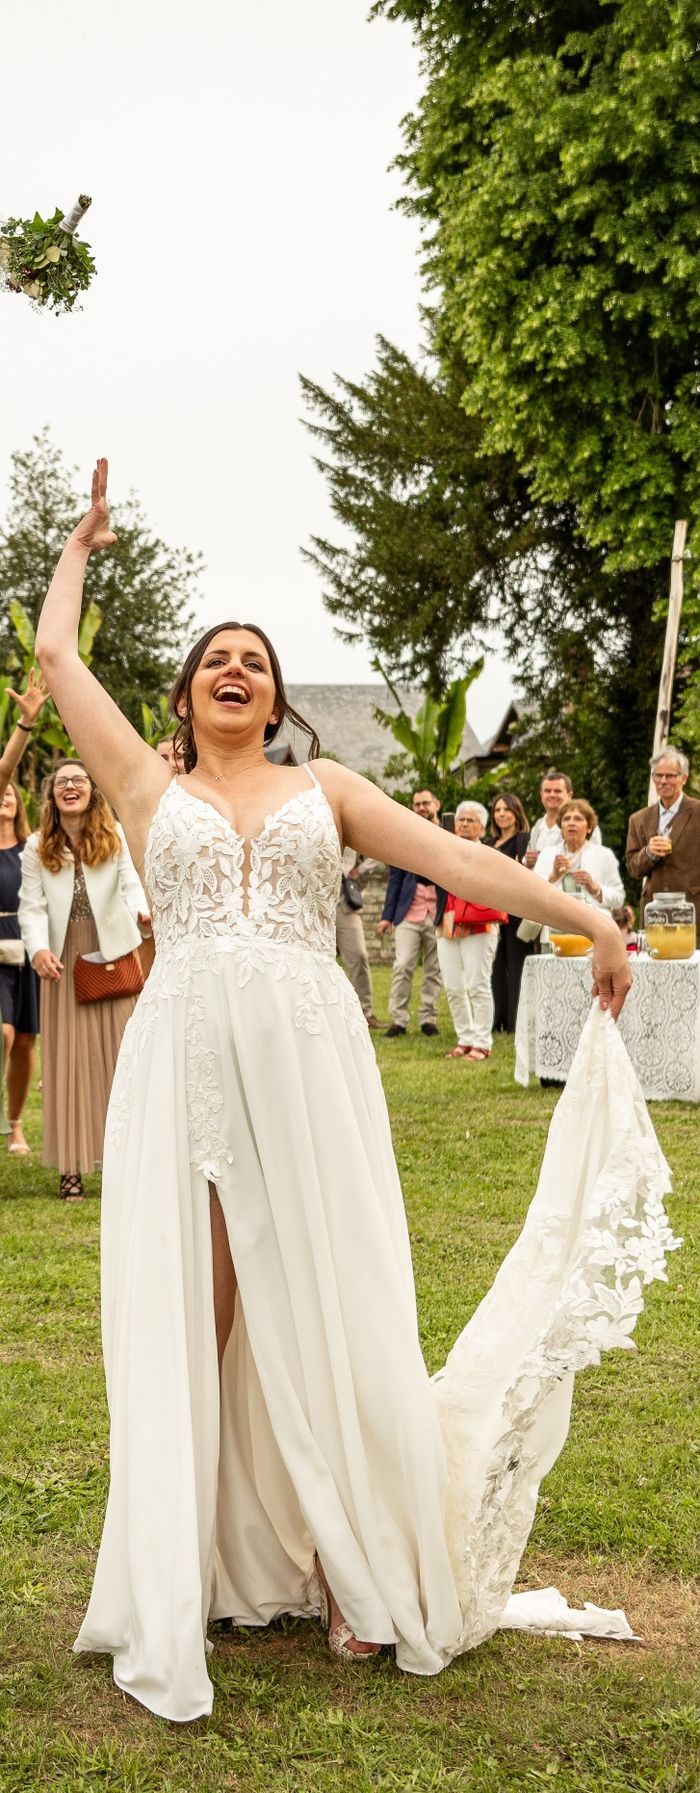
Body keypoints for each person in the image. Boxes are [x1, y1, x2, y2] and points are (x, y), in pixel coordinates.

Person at [34, 461, 635, 1720]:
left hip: (311, 1063)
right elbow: (54, 653)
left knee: (328, 1292)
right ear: (187, 694)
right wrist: (79, 550)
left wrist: (587, 917)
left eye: (254, 660)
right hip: (186, 1060)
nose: (234, 670)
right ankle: (186, 1566)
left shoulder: (332, 791)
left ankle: (352, 1564)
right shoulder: (146, 787)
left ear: (276, 696)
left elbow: (463, 857)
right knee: (194, 1306)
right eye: (215, 660)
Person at [18, 758, 150, 1202]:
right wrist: (38, 949)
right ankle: (71, 1167)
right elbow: (31, 906)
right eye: (62, 782)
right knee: (68, 1065)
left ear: (92, 792)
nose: (70, 787)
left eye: (78, 780)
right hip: (61, 960)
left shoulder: (113, 837)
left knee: (121, 1060)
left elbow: (131, 884)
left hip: (113, 953)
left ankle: (125, 1162)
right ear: (52, 795)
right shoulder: (37, 847)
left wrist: (142, 912)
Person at [0, 669, 49, 1153]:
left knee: (26, 1042)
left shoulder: (32, 848)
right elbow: (3, 771)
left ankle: (14, 1124)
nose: (5, 801)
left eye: (11, 798)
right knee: (4, 1033)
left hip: (26, 945)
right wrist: (25, 725)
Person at [437, 801, 504, 1061]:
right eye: (461, 820)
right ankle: (464, 1038)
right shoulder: (444, 850)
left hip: (479, 922)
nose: (464, 824)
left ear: (482, 828)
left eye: (471, 820)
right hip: (447, 921)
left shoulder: (489, 854)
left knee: (478, 984)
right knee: (454, 986)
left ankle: (482, 1042)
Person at [378, 789, 445, 1037]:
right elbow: (395, 878)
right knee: (403, 964)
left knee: (434, 968)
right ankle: (399, 1019)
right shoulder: (404, 835)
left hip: (437, 911)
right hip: (409, 910)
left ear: (436, 805)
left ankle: (428, 1018)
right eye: (417, 804)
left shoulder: (448, 834)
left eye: (426, 803)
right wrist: (387, 916)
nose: (421, 808)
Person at [626, 748, 700, 944]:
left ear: (684, 778)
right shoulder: (638, 819)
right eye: (658, 775)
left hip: (693, 912)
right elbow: (632, 868)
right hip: (654, 915)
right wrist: (648, 853)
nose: (663, 781)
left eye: (670, 776)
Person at [487, 793, 532, 1034]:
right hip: (491, 910)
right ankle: (497, 1019)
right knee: (495, 968)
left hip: (515, 911)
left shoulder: (523, 839)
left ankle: (515, 1022)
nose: (501, 814)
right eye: (497, 810)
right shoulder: (489, 842)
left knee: (516, 967)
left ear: (516, 813)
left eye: (506, 809)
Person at [533, 799, 625, 913]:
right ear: (561, 827)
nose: (571, 823)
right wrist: (553, 876)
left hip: (592, 919)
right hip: (555, 918)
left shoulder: (604, 855)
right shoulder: (547, 854)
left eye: (578, 819)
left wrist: (595, 888)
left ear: (589, 827)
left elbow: (619, 899)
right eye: (566, 819)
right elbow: (533, 894)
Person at [336, 847, 380, 1028]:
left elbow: (377, 849)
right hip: (309, 901)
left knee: (359, 955)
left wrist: (361, 870)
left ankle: (364, 1012)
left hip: (343, 900)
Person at [524, 769, 602, 868]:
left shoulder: (585, 825)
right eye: (547, 791)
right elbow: (528, 865)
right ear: (541, 795)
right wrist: (528, 863)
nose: (552, 794)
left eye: (558, 791)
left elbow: (594, 862)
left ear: (569, 795)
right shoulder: (537, 826)